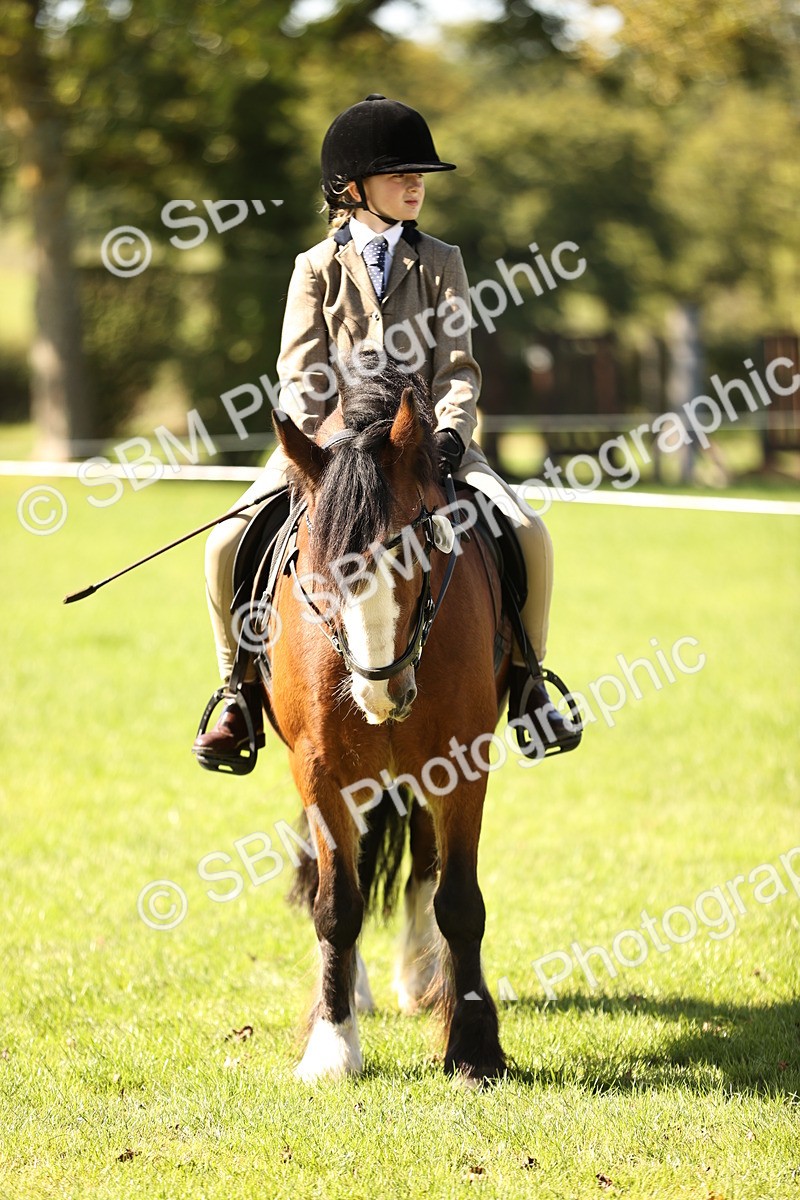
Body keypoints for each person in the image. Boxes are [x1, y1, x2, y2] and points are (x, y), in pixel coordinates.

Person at [193, 94, 579, 766]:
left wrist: (451, 434)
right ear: (351, 188)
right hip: (331, 453)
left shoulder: (442, 261)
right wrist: (330, 447)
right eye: (400, 173)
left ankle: (529, 682)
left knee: (528, 533)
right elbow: (299, 375)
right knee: (225, 543)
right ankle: (240, 694)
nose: (416, 183)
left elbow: (458, 368)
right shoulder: (314, 268)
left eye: (419, 174)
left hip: (426, 450)